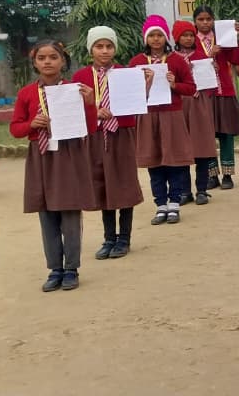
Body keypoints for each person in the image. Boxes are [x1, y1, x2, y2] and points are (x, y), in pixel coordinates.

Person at [11, 40, 97, 293]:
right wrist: (31, 124)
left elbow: (90, 127)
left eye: (53, 57)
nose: (47, 62)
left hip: (68, 155)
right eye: (41, 58)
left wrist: (90, 104)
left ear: (63, 61)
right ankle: (55, 268)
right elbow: (15, 129)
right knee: (46, 213)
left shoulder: (75, 90)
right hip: (40, 156)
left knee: (69, 212)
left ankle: (71, 268)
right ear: (34, 62)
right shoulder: (26, 93)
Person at [72, 27, 144, 261]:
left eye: (109, 46)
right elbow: (74, 110)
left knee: (124, 182)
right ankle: (109, 238)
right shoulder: (80, 77)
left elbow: (137, 104)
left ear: (115, 48)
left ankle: (124, 238)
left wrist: (146, 85)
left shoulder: (126, 73)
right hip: (95, 136)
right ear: (90, 49)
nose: (104, 51)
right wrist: (93, 109)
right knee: (103, 183)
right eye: (99, 46)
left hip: (121, 133)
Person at [129, 16, 196, 226]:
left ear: (166, 38)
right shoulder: (137, 62)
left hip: (172, 116)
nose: (156, 39)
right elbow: (130, 92)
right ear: (146, 39)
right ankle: (160, 205)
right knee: (154, 162)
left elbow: (191, 88)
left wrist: (175, 84)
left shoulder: (176, 61)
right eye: (152, 35)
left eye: (159, 35)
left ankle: (174, 203)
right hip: (148, 117)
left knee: (174, 161)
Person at [193, 6, 239, 190]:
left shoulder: (223, 36)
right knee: (206, 135)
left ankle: (228, 175)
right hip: (203, 94)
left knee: (226, 134)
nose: (205, 23)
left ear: (213, 20)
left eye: (208, 19)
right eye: (201, 19)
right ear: (195, 21)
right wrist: (209, 55)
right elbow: (189, 62)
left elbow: (237, 59)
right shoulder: (191, 40)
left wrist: (236, 37)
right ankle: (212, 175)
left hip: (224, 92)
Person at [172, 21, 218, 205]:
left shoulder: (201, 57)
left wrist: (212, 71)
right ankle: (185, 191)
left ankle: (202, 189)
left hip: (199, 104)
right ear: (177, 38)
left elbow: (211, 86)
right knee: (182, 148)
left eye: (191, 35)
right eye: (184, 35)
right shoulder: (172, 59)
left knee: (202, 147)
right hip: (180, 105)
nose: (188, 38)